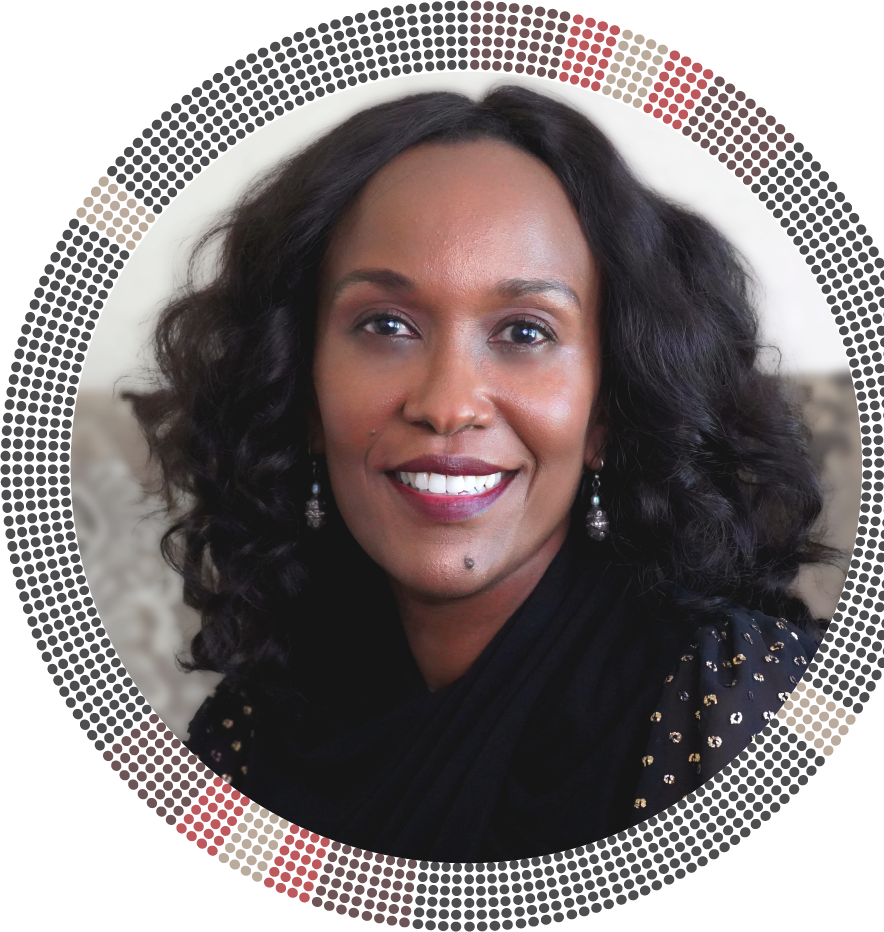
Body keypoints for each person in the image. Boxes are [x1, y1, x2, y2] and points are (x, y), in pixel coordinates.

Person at [127, 84, 841, 863]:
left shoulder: (734, 700)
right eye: (386, 325)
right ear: (300, 389)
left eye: (525, 332)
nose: (447, 405)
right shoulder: (250, 730)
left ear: (607, 410)